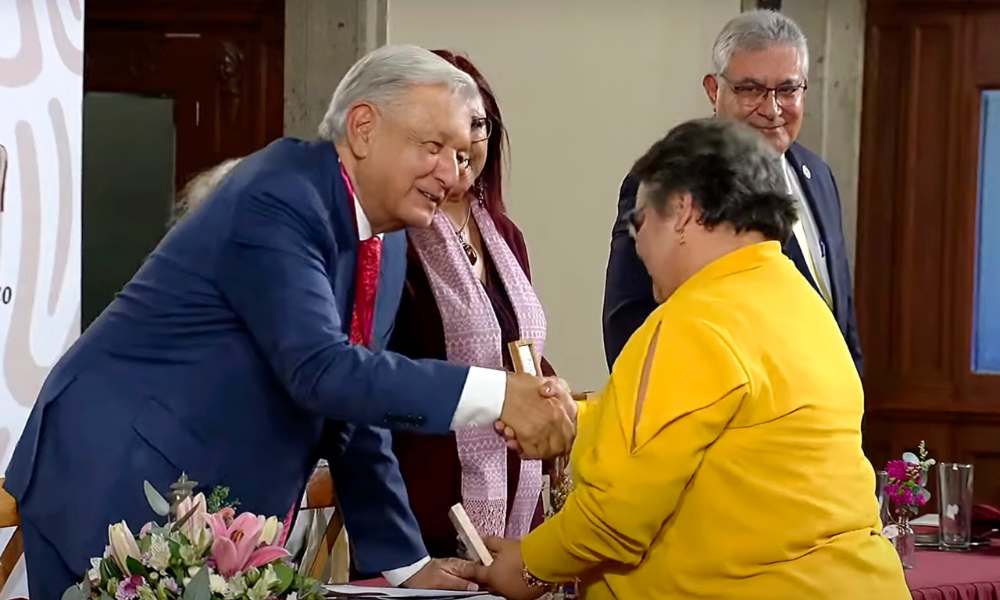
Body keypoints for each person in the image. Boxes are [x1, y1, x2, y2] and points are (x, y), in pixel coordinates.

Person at [5, 44, 576, 599]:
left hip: (202, 504)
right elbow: (322, 371)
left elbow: (352, 410)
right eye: (433, 147)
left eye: (460, 154)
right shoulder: (279, 193)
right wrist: (500, 395)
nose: (451, 175)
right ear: (363, 128)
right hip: (118, 472)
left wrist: (406, 566)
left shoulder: (388, 239)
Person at [477, 118, 910, 600]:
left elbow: (615, 515)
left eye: (639, 222)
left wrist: (528, 567)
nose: (637, 244)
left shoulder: (695, 319)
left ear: (682, 212)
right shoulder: (802, 304)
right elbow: (714, 429)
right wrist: (574, 417)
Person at [603, 10, 862, 373]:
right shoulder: (672, 178)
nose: (772, 109)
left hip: (826, 398)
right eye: (750, 89)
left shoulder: (818, 174)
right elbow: (629, 321)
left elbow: (841, 314)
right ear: (714, 90)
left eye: (787, 90)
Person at [389, 50, 549, 559]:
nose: (463, 142)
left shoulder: (505, 233)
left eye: (476, 125)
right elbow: (382, 369)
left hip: (519, 495)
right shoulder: (396, 236)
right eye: (442, 131)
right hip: (427, 497)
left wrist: (553, 397)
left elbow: (515, 351)